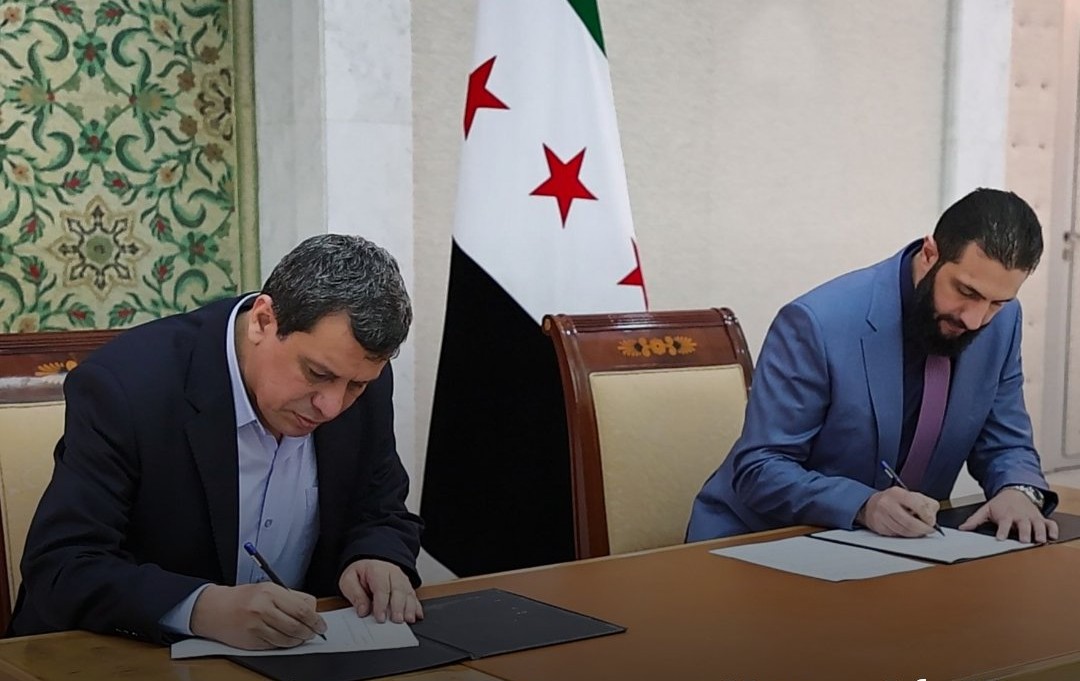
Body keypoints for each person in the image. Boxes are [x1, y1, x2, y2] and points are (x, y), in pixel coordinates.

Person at [10, 234, 424, 649]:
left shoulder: (358, 376)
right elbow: (63, 564)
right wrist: (198, 608)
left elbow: (381, 509)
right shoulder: (127, 387)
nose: (331, 406)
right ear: (263, 320)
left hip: (297, 655)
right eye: (317, 374)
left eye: (355, 386)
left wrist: (377, 556)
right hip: (117, 656)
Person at [687, 188, 1059, 544]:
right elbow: (760, 469)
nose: (975, 319)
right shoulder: (817, 323)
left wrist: (1018, 491)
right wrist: (863, 505)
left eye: (997, 302)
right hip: (761, 540)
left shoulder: (1003, 323)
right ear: (930, 254)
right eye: (966, 292)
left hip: (898, 549)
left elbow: (1005, 440)